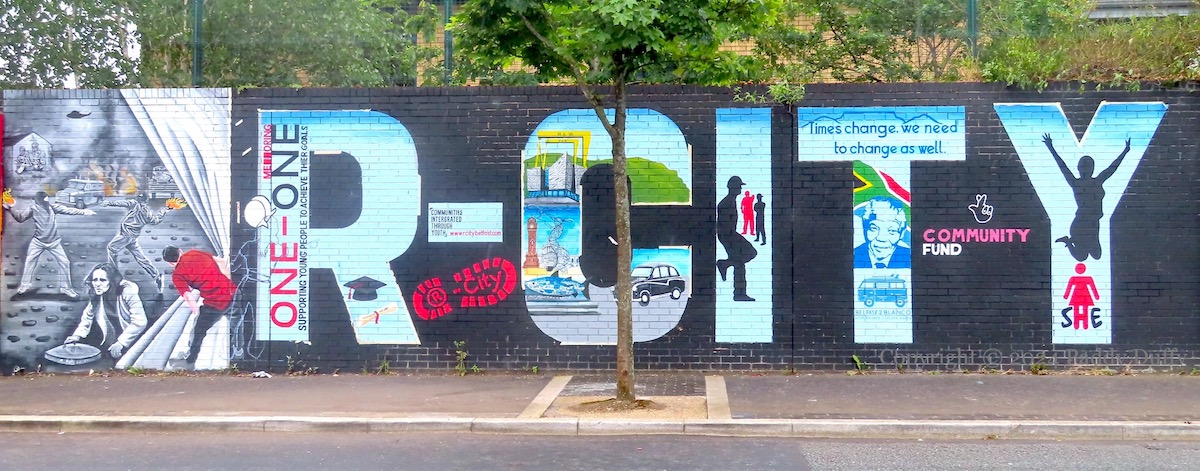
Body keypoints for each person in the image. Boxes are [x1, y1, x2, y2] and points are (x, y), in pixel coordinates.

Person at [1043, 134, 1131, 262]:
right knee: (1082, 256)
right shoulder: (1078, 183)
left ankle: (1070, 241)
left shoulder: (1095, 181)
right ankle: (1068, 241)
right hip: (1081, 224)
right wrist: (1051, 147)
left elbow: (1112, 168)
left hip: (1093, 224)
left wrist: (1125, 152)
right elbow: (1062, 166)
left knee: (1097, 255)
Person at [4, 191, 96, 297]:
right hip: (38, 242)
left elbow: (68, 210)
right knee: (30, 261)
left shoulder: (53, 207)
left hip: (54, 242)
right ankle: (25, 285)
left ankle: (66, 288)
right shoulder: (33, 209)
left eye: (47, 200)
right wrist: (10, 208)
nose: (46, 203)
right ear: (38, 201)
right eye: (44, 200)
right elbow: (20, 218)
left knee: (65, 262)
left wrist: (84, 212)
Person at [163, 245, 235, 366]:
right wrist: (230, 283)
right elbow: (221, 262)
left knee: (198, 331)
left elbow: (188, 296)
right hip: (233, 294)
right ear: (180, 251)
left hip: (215, 303)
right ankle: (239, 353)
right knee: (238, 326)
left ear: (170, 263)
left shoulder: (177, 275)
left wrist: (197, 313)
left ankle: (190, 359)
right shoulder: (195, 253)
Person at [64, 263, 148, 359]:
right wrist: (77, 335)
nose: (97, 284)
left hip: (132, 338)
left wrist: (121, 342)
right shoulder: (97, 295)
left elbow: (140, 321)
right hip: (111, 340)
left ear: (112, 281)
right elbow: (87, 318)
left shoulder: (127, 292)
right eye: (95, 280)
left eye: (103, 280)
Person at [105, 192, 171, 293]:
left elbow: (122, 203)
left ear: (138, 199)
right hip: (133, 237)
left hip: (125, 236)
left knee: (111, 248)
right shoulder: (147, 213)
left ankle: (113, 276)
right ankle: (156, 276)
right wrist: (164, 210)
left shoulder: (134, 204)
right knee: (141, 258)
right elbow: (155, 220)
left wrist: (109, 203)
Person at [717, 176, 757, 301]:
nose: (740, 189)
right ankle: (739, 293)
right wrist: (731, 238)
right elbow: (724, 224)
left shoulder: (730, 201)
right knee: (746, 256)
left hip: (729, 235)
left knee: (741, 259)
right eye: (739, 186)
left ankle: (725, 264)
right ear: (732, 187)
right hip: (728, 235)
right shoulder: (726, 203)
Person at [854, 196, 911, 269]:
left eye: (892, 231)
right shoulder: (853, 256)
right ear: (865, 228)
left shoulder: (909, 257)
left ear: (902, 233)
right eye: (874, 228)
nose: (881, 238)